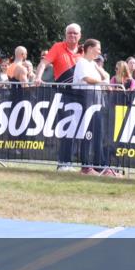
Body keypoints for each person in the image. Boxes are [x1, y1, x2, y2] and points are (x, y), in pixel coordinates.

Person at [35, 23, 83, 171]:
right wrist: (38, 77)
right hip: (63, 94)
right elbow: (43, 63)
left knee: (77, 129)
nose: (72, 36)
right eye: (69, 33)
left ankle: (70, 162)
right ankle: (63, 163)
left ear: (80, 35)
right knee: (66, 127)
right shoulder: (57, 47)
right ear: (65, 35)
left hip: (81, 95)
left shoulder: (83, 51)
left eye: (75, 33)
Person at [72, 38, 115, 176]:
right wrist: (103, 82)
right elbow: (88, 79)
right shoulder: (82, 63)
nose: (100, 51)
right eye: (98, 48)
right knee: (88, 133)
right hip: (86, 100)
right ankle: (86, 167)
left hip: (96, 100)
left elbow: (106, 76)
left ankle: (99, 166)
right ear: (90, 48)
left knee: (98, 134)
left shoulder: (91, 64)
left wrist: (98, 67)